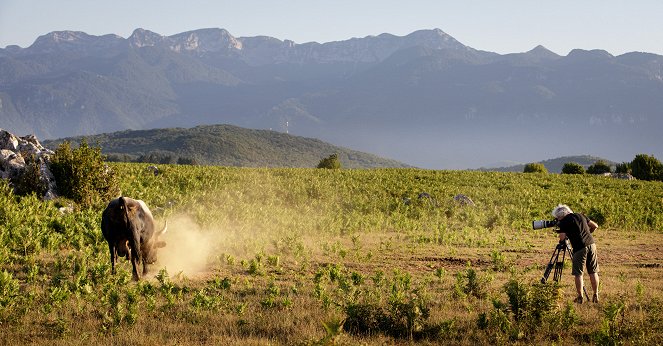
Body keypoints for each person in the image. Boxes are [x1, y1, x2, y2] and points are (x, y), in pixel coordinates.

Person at [552, 204, 600, 303]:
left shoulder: (564, 222)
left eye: (557, 218)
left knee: (578, 273)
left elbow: (562, 238)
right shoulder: (580, 215)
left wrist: (564, 234)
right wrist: (588, 233)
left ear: (560, 216)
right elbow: (595, 226)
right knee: (593, 271)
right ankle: (596, 294)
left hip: (579, 248)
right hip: (591, 244)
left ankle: (580, 297)